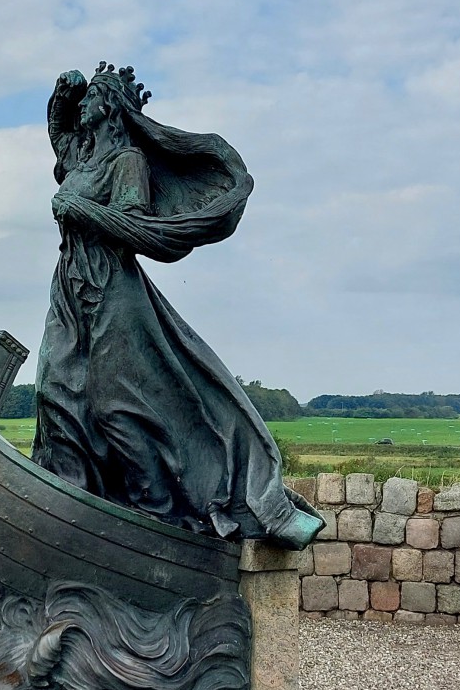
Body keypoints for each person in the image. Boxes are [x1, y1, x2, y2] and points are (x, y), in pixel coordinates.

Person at [32, 62, 320, 547]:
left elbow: (138, 230)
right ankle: (69, 495)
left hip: (112, 291)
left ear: (111, 108)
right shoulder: (81, 154)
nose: (84, 106)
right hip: (69, 289)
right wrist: (62, 97)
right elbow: (58, 133)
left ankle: (156, 511)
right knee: (54, 390)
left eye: (92, 97)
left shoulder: (127, 162)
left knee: (115, 407)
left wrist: (80, 209)